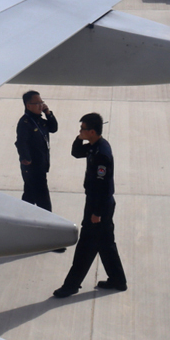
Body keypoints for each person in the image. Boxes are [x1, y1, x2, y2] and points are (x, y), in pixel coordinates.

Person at [52, 112, 127, 298]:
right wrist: (79, 138)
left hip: (99, 206)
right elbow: (76, 152)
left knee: (86, 245)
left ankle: (71, 285)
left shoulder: (102, 154)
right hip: (97, 203)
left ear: (92, 132)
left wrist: (97, 213)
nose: (80, 131)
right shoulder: (94, 147)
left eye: (83, 129)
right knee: (106, 244)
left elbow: (103, 187)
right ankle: (118, 280)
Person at [15, 90, 57, 212]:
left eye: (41, 102)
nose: (40, 105)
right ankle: (48, 220)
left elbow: (53, 128)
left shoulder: (39, 120)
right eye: (37, 103)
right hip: (33, 168)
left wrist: (48, 112)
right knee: (44, 202)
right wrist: (26, 158)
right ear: (28, 106)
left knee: (29, 196)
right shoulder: (25, 123)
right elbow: (21, 142)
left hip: (41, 165)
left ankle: (21, 217)